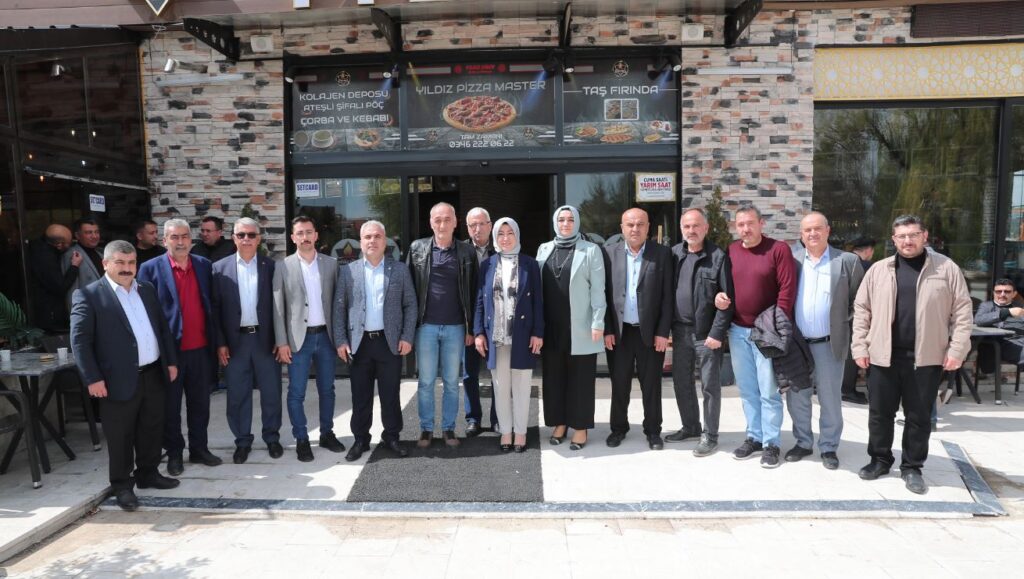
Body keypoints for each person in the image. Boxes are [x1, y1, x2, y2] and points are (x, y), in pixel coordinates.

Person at [852, 214, 972, 495]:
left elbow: (963, 312)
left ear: (924, 236)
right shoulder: (879, 270)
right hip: (883, 356)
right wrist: (859, 346)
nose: (908, 240)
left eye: (913, 235)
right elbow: (862, 310)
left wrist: (957, 349)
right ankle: (880, 460)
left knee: (918, 417)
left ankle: (912, 467)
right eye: (902, 236)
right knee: (880, 414)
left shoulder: (946, 268)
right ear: (894, 240)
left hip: (926, 358)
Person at [70, 240, 180, 511]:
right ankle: (122, 485)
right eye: (120, 262)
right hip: (114, 380)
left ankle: (148, 474)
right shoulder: (88, 295)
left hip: (153, 373)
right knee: (120, 436)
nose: (127, 268)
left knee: (151, 428)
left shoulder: (147, 290)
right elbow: (80, 341)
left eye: (131, 263)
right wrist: (92, 378)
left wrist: (170, 362)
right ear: (105, 264)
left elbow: (162, 329)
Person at [137, 218, 222, 476]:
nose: (181, 241)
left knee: (200, 405)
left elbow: (212, 307)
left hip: (201, 350)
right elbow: (145, 314)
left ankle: (199, 449)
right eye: (174, 237)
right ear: (165, 241)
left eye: (185, 236)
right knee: (170, 408)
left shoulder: (204, 266)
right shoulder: (149, 269)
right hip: (170, 353)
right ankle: (174, 454)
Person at [714, 205, 797, 468]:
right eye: (740, 224)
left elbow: (787, 290)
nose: (745, 229)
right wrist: (719, 296)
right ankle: (754, 436)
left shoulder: (778, 249)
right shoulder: (731, 251)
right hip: (738, 331)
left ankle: (772, 443)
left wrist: (776, 325)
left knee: (769, 391)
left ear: (761, 223)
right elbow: (723, 285)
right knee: (748, 390)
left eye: (750, 223)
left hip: (766, 333)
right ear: (735, 227)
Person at [786, 212, 864, 470]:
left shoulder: (847, 261)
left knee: (830, 398)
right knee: (797, 396)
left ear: (828, 231)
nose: (813, 234)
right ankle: (803, 442)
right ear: (801, 234)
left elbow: (859, 299)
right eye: (807, 230)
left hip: (829, 344)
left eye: (817, 228)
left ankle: (829, 447)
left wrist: (842, 320)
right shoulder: (792, 259)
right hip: (798, 345)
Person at [334, 221, 417, 461]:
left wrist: (407, 336)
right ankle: (361, 439)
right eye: (368, 237)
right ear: (361, 242)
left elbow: (410, 305)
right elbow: (339, 308)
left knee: (390, 394)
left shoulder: (399, 270)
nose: (372, 241)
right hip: (359, 344)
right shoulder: (348, 271)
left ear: (385, 240)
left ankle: (391, 436)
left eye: (377, 236)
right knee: (360, 396)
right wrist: (341, 340)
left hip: (388, 342)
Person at [406, 202, 479, 449]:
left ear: (456, 222)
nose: (442, 224)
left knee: (451, 382)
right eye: (437, 219)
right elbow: (409, 291)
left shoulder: (467, 252)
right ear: (431, 222)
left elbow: (474, 293)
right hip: (426, 327)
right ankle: (426, 428)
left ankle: (448, 428)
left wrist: (471, 328)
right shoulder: (417, 249)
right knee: (426, 382)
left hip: (456, 328)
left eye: (447, 219)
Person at [210, 218, 282, 464]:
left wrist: (280, 339)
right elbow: (215, 309)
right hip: (235, 343)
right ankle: (242, 441)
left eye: (251, 234)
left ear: (259, 238)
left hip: (265, 341)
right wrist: (220, 342)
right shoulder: (219, 269)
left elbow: (279, 306)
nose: (246, 239)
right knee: (237, 395)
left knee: (271, 393)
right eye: (241, 235)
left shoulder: (271, 267)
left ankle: (272, 437)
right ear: (233, 238)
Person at [272, 216, 345, 462]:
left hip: (325, 337)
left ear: (316, 235)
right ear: (293, 238)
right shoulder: (282, 266)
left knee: (327, 389)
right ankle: (302, 438)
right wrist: (282, 342)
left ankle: (327, 433)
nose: (305, 237)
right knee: (296, 392)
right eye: (300, 233)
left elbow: (338, 304)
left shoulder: (331, 264)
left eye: (309, 232)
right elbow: (278, 308)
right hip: (297, 341)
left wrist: (340, 338)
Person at [536, 205, 606, 451]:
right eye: (561, 220)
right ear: (555, 223)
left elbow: (598, 289)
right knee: (554, 378)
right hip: (550, 326)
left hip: (580, 325)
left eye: (570, 220)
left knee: (580, 379)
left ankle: (581, 427)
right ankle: (560, 423)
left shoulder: (591, 250)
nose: (565, 224)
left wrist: (598, 321)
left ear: (577, 222)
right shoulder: (544, 249)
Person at [603, 208, 673, 451]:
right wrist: (607, 329)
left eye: (640, 224)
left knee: (651, 384)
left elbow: (667, 297)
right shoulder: (608, 253)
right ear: (622, 227)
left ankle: (653, 431)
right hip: (619, 333)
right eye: (630, 224)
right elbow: (603, 295)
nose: (635, 229)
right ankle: (618, 428)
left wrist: (663, 332)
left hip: (650, 334)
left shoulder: (662, 254)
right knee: (619, 383)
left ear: (648, 227)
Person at [666, 208, 733, 457]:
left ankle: (710, 435)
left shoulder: (718, 257)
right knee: (681, 382)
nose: (691, 231)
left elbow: (728, 300)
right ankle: (691, 427)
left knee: (709, 386)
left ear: (706, 228)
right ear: (681, 229)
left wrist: (717, 333)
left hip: (706, 334)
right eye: (687, 226)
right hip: (679, 331)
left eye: (696, 226)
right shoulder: (674, 254)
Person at [474, 218, 544, 453]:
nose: (505, 238)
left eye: (510, 233)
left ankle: (520, 432)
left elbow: (538, 302)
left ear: (517, 235)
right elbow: (480, 302)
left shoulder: (530, 264)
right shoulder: (487, 264)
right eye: (501, 233)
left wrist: (538, 332)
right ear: (495, 237)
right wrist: (478, 332)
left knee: (522, 386)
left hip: (522, 335)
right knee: (500, 386)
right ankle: (506, 431)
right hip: (496, 337)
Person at [463, 207, 498, 436]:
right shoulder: (461, 251)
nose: (477, 229)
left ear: (490, 225)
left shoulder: (502, 248)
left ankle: (497, 418)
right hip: (468, 323)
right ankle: (473, 418)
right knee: (469, 373)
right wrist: (468, 327)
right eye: (472, 225)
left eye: (481, 224)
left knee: (497, 373)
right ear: (467, 228)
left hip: (496, 322)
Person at [27, 224, 80, 332]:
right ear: (59, 245)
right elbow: (60, 287)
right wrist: (74, 266)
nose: (70, 246)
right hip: (49, 314)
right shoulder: (46, 258)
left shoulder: (36, 247)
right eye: (69, 243)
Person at [975, 278, 1024, 368]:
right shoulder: (987, 306)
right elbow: (979, 320)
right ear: (994, 293)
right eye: (998, 291)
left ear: (1014, 294)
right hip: (1006, 343)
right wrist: (1007, 312)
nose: (1002, 294)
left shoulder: (1020, 306)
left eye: (1007, 292)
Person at [62, 218, 104, 309]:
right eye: (89, 233)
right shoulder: (72, 255)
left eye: (96, 232)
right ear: (77, 235)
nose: (94, 236)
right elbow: (71, 292)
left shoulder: (101, 254)